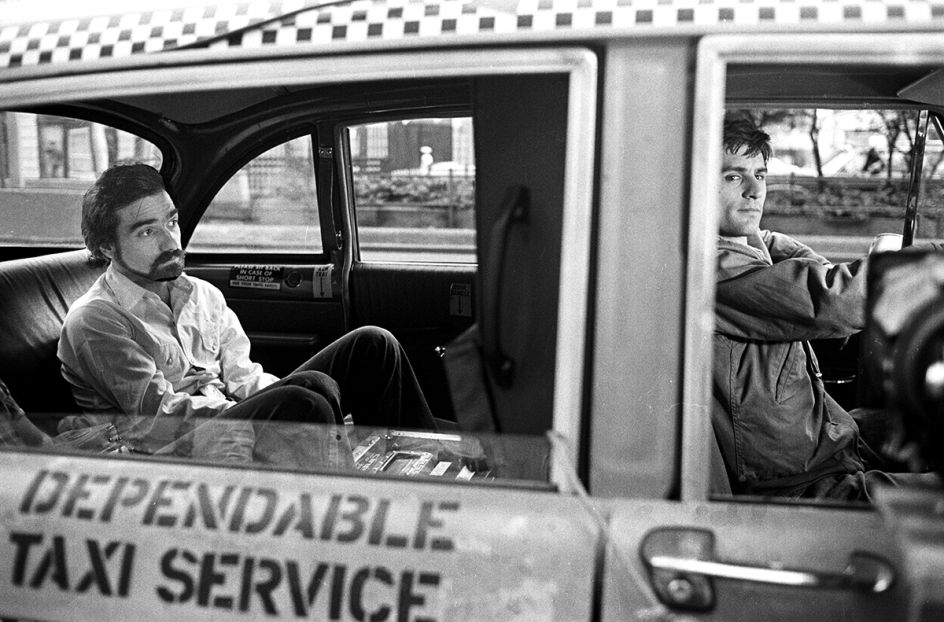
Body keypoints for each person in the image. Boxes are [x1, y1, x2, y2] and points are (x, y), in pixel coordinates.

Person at [57, 163, 437, 460]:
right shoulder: (96, 320)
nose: (172, 240)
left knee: (372, 344)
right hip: (172, 449)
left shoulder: (201, 294)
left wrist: (270, 400)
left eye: (171, 221)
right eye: (146, 232)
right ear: (107, 247)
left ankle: (431, 472)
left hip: (229, 417)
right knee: (305, 398)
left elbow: (243, 376)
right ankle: (352, 510)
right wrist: (271, 408)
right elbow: (157, 418)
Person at [712, 114, 936, 502]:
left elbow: (808, 264)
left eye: (761, 175)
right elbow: (831, 300)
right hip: (797, 483)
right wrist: (931, 267)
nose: (755, 191)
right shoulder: (714, 267)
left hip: (817, 442)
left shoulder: (748, 244)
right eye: (734, 177)